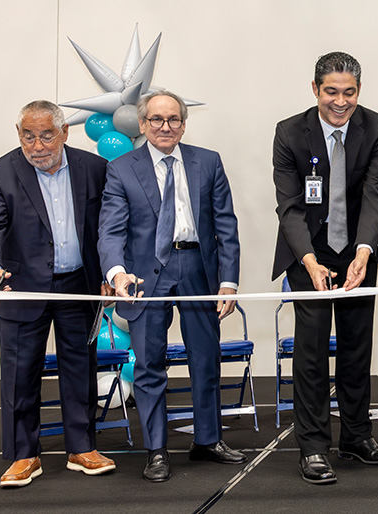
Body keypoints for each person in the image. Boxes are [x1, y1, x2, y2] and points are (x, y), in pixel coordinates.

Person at [99, 90, 245, 482]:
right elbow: (110, 231)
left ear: (184, 123)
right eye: (157, 120)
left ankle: (208, 441)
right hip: (145, 276)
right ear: (143, 124)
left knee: (205, 359)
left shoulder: (208, 162)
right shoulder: (122, 169)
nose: (166, 127)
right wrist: (117, 274)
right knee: (148, 364)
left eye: (174, 119)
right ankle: (157, 450)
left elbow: (225, 225)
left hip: (198, 267)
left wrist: (228, 281)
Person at [272, 51, 378, 485]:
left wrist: (364, 253)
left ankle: (356, 437)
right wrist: (309, 260)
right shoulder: (290, 132)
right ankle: (312, 446)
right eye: (331, 92)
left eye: (349, 92)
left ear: (359, 91)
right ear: (315, 90)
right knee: (310, 353)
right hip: (307, 249)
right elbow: (288, 206)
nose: (340, 102)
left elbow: (377, 193)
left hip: (359, 249)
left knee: (356, 347)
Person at [0, 100, 116, 487]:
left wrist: (108, 274)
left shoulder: (95, 168)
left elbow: (106, 229)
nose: (36, 145)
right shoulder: (0, 173)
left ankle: (81, 448)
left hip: (78, 286)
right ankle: (24, 456)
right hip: (21, 287)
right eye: (27, 135)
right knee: (20, 375)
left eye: (46, 135)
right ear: (18, 134)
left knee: (80, 370)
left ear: (65, 132)